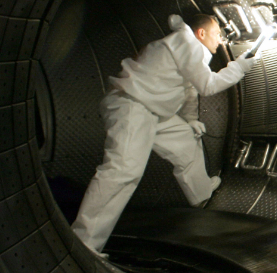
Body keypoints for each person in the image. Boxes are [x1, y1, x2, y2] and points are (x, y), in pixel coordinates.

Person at [71, 13, 259, 257]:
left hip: (152, 110)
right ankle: (83, 244)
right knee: (123, 172)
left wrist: (190, 119)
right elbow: (207, 85)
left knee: (186, 142)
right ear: (200, 33)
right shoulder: (187, 42)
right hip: (133, 106)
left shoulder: (186, 49)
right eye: (216, 34)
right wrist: (239, 67)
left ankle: (201, 193)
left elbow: (190, 89)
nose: (220, 40)